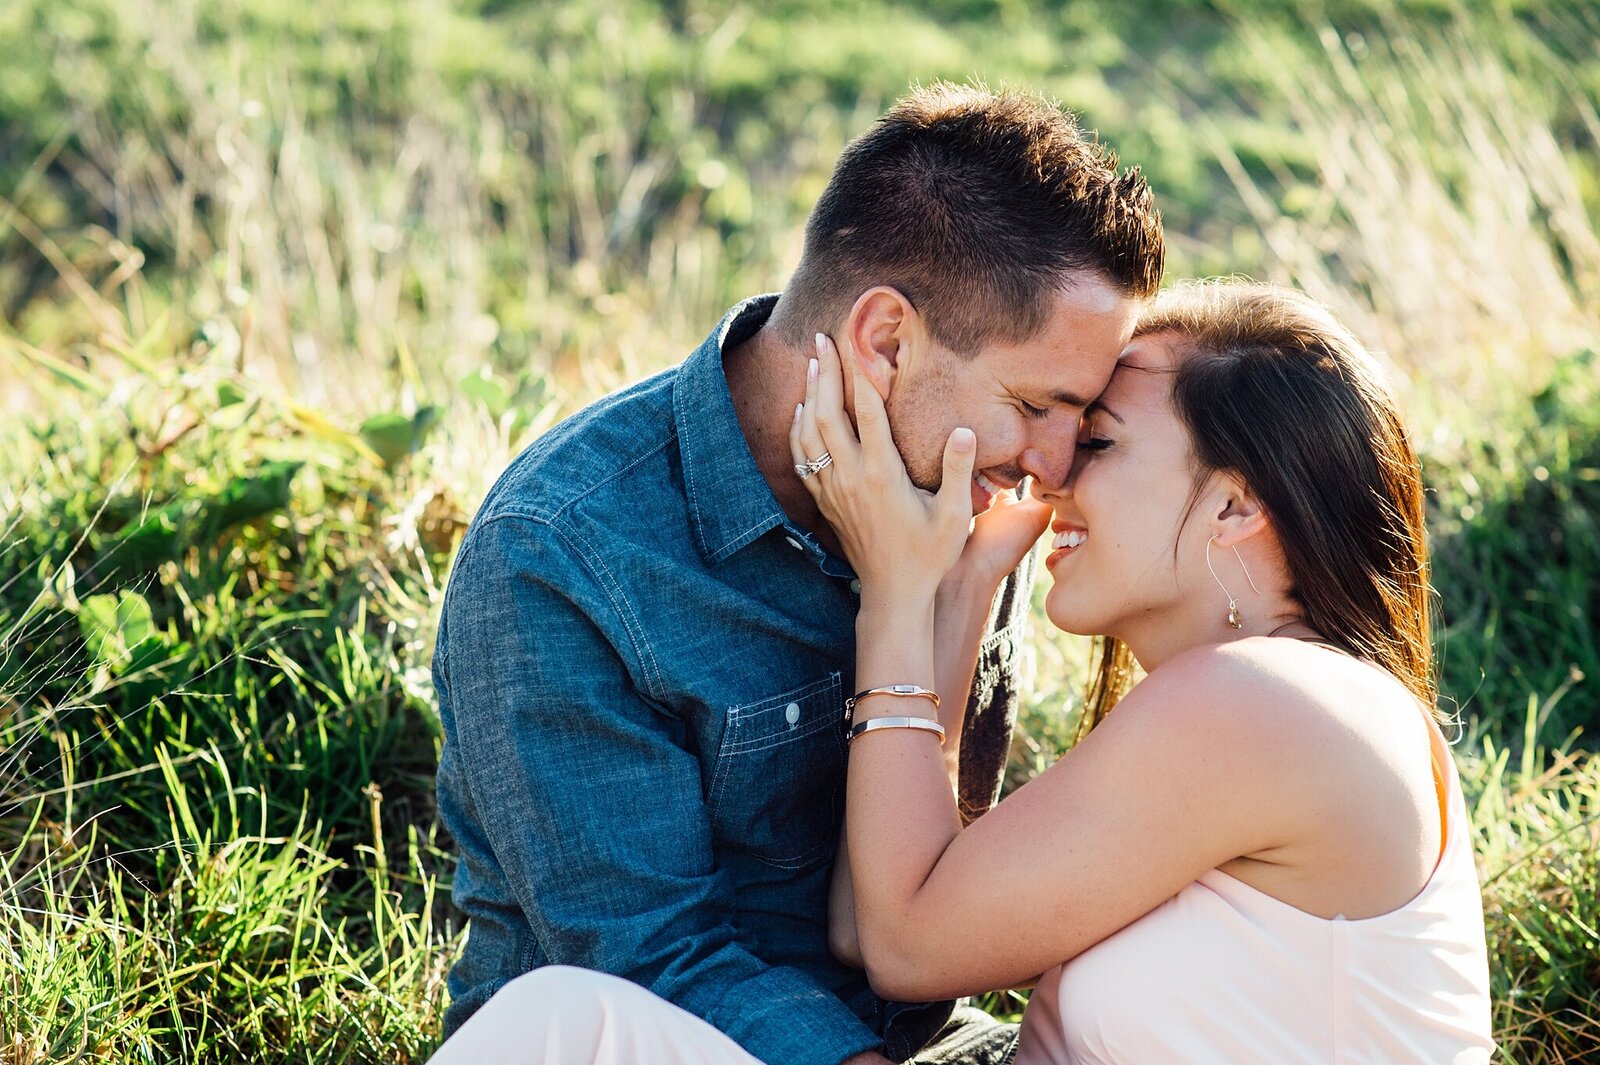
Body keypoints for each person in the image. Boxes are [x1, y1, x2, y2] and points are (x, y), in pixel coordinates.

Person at [427, 82, 1164, 1065]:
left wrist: (945, 595)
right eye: (1037, 404)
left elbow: (937, 891)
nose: (1057, 464)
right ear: (885, 339)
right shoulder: (563, 554)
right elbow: (646, 962)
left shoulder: (961, 499)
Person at [790, 280, 1495, 1063]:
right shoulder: (1289, 701)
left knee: (622, 1020)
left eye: (1096, 443)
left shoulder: (1257, 702)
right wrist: (956, 589)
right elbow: (871, 920)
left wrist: (895, 588)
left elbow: (903, 944)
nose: (1050, 471)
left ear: (1232, 506)